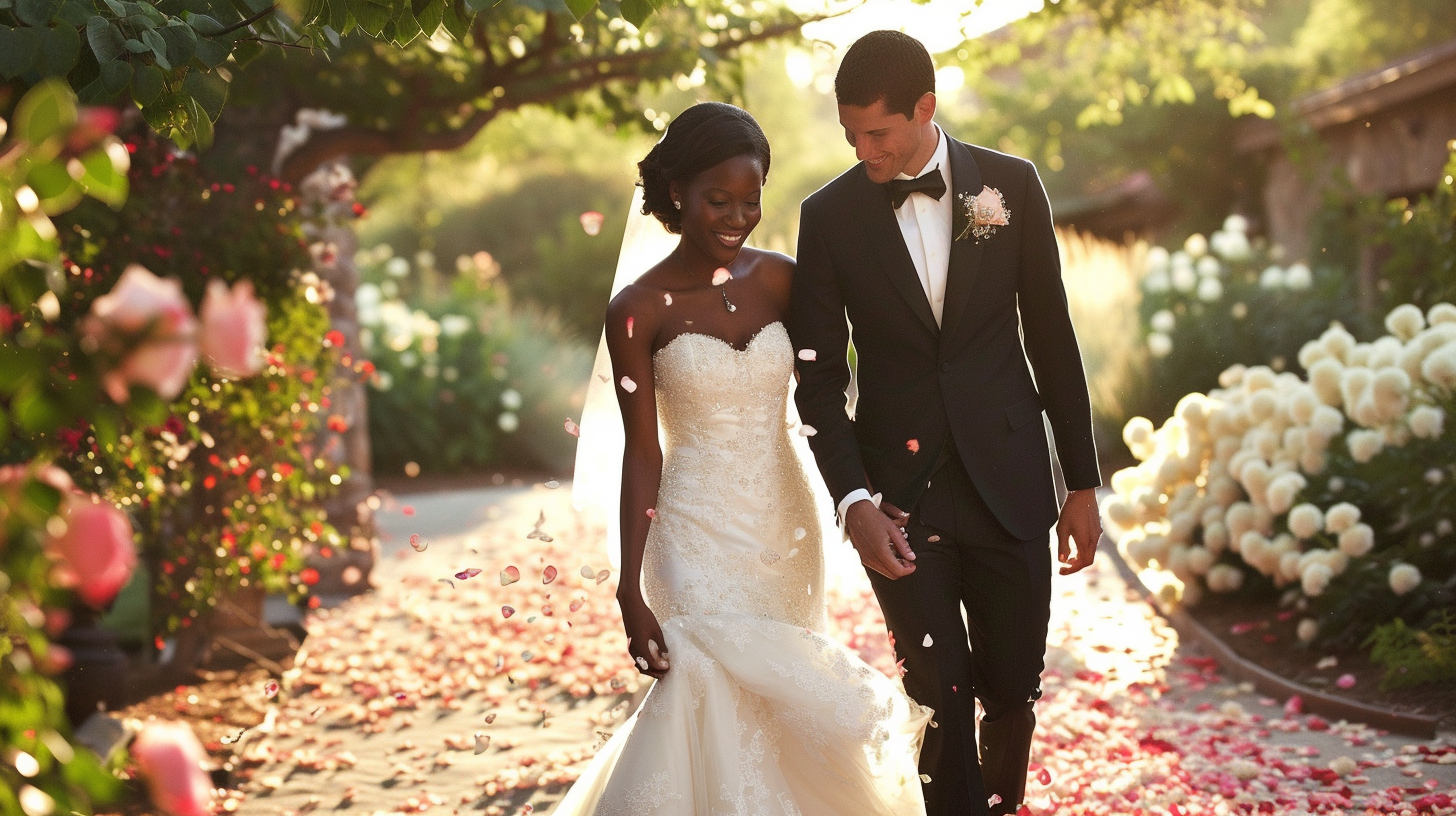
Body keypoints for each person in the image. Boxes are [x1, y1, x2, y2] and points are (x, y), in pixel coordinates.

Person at [557, 101, 930, 816]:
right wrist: (630, 588)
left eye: (751, 199)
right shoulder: (637, 307)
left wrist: (875, 490)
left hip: (783, 529)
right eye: (717, 200)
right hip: (690, 537)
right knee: (705, 692)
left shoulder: (785, 280)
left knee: (780, 711)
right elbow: (642, 450)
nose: (736, 217)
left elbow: (832, 396)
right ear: (676, 194)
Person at [789, 31, 1104, 816]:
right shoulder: (826, 217)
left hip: (1013, 483)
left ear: (924, 108)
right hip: (900, 500)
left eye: (878, 133)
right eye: (850, 134)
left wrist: (1083, 482)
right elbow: (819, 379)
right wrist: (853, 501)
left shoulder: (1012, 186)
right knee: (937, 693)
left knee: (1010, 692)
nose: (863, 151)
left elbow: (1053, 341)